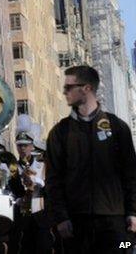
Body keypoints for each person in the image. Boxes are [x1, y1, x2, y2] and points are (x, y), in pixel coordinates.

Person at [45, 65, 136, 254]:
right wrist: (61, 218)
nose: (64, 91)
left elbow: (131, 174)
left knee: (126, 248)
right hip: (75, 225)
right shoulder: (60, 133)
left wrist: (133, 212)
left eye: (69, 87)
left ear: (86, 88)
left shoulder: (118, 127)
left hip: (115, 224)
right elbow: (53, 180)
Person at [10, 115, 52, 254]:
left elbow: (51, 188)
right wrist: (18, 200)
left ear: (32, 145)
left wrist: (37, 182)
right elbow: (9, 193)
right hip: (21, 219)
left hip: (41, 218)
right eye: (19, 145)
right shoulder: (12, 168)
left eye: (25, 145)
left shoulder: (42, 166)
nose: (22, 148)